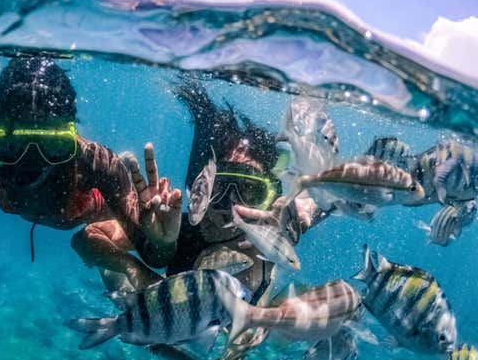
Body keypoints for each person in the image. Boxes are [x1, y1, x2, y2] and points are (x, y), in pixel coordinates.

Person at [0, 56, 181, 289]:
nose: (32, 161)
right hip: (64, 212)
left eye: (53, 146)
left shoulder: (96, 161)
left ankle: (120, 217)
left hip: (92, 209)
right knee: (88, 245)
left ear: (72, 137)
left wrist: (161, 240)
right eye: (13, 147)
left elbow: (156, 258)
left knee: (89, 241)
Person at [101, 81, 325, 301]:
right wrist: (159, 247)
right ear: (202, 186)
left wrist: (307, 207)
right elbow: (88, 238)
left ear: (269, 197)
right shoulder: (174, 225)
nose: (231, 206)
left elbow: (325, 198)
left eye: (249, 190)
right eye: (220, 187)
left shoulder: (272, 231)